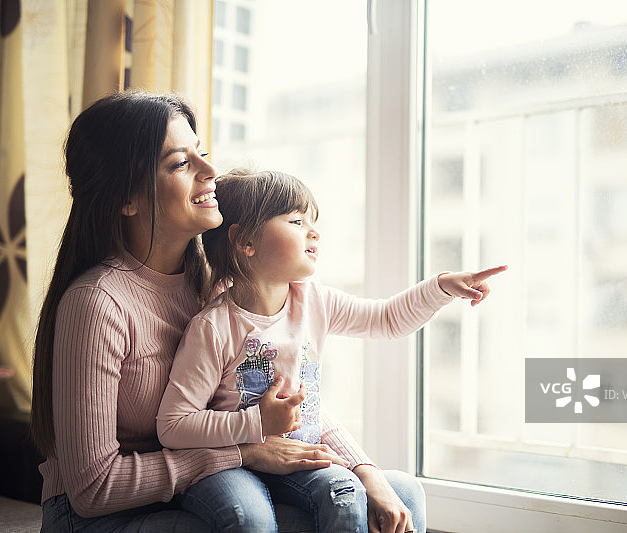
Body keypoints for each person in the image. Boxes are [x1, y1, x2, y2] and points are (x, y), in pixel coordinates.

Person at [30, 91, 393, 532]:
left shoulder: (217, 285)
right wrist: (244, 451)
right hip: (100, 512)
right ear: (127, 198)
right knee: (248, 520)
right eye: (181, 163)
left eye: (201, 153)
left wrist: (363, 468)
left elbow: (280, 395)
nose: (211, 171)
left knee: (391, 496)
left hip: (192, 487)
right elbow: (93, 489)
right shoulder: (97, 303)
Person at [156, 168, 508, 532]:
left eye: (313, 221)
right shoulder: (213, 327)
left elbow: (386, 319)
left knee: (345, 492)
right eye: (296, 220)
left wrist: (441, 287)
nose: (314, 232)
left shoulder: (313, 300)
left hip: (299, 457)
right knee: (247, 518)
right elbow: (173, 425)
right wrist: (256, 423)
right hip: (232, 464)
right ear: (246, 242)